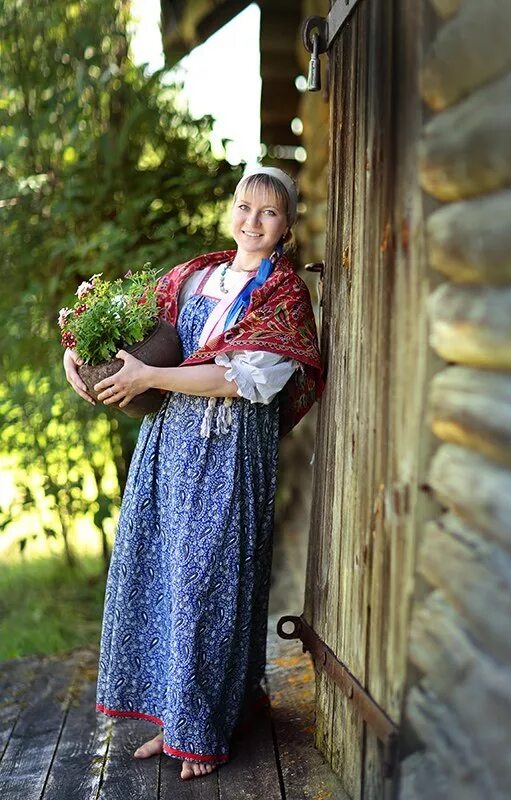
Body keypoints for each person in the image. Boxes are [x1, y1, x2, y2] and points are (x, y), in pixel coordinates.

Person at [63, 165, 324, 781]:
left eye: (268, 213)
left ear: (286, 226)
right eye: (244, 207)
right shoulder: (192, 276)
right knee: (161, 581)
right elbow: (118, 321)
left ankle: (204, 729)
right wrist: (78, 352)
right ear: (230, 211)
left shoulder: (281, 296)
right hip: (167, 448)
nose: (252, 222)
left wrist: (149, 377)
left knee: (209, 589)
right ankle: (177, 719)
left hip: (227, 452)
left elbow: (239, 379)